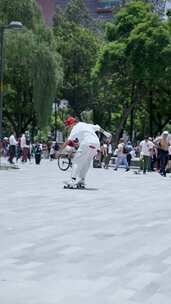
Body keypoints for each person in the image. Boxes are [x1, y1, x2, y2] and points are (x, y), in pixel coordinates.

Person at [59, 116, 111, 187]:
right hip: (96, 143)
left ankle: (72, 180)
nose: (69, 128)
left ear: (72, 124)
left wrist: (59, 151)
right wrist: (106, 133)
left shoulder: (75, 128)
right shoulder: (86, 125)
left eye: (69, 126)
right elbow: (98, 127)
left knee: (76, 161)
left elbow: (68, 141)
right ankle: (82, 180)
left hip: (87, 143)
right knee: (86, 162)